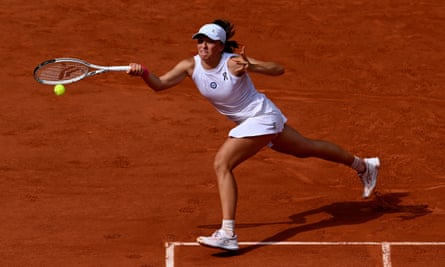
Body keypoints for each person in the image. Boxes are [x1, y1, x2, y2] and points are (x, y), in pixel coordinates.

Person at [127, 19, 380, 251]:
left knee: (222, 163)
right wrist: (144, 73)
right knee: (307, 148)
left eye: (208, 41)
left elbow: (277, 69)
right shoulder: (189, 66)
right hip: (255, 120)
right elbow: (160, 85)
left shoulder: (233, 62)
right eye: (199, 40)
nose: (202, 45)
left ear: (220, 45)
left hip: (261, 118)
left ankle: (228, 233)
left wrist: (253, 65)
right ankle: (364, 165)